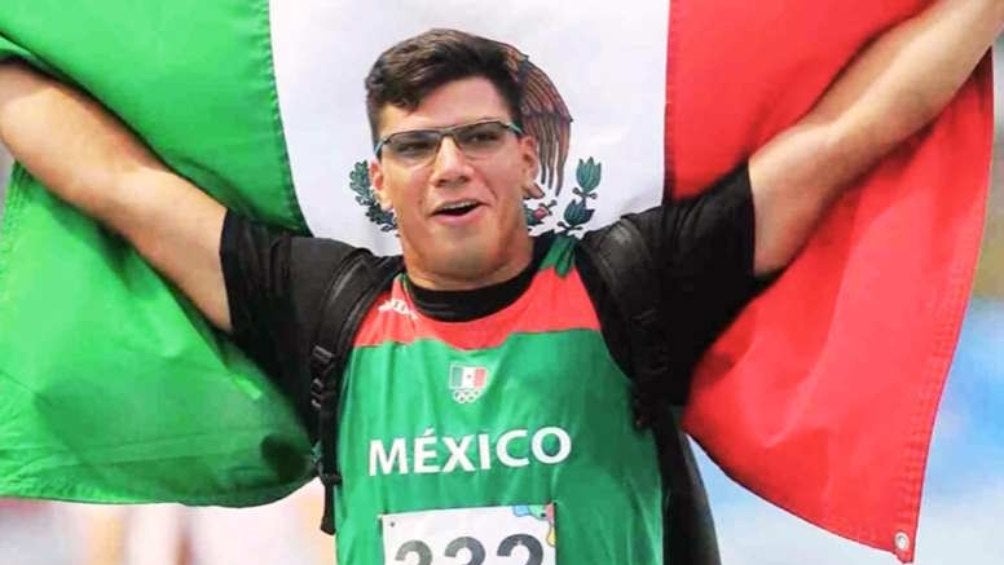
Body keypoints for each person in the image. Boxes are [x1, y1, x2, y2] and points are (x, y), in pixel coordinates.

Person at [0, 1, 1001, 562]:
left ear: (529, 158)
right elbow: (119, 185)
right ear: (377, 178)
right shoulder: (325, 308)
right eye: (416, 146)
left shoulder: (634, 285)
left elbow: (845, 135)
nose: (450, 168)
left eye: (479, 138)